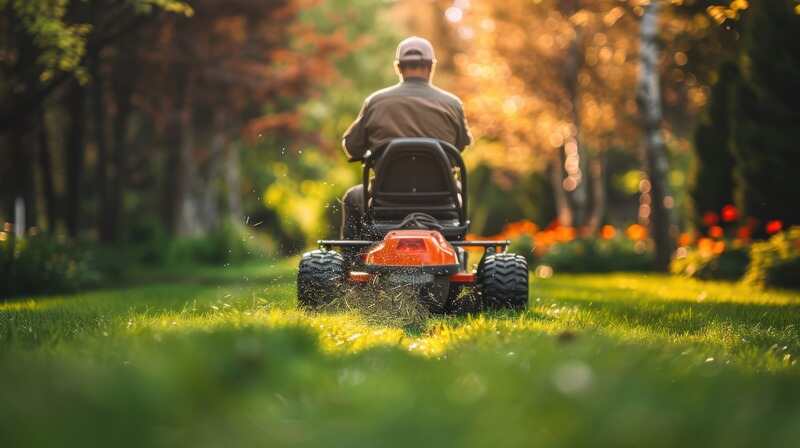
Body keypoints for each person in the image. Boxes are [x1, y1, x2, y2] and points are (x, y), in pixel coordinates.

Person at [339, 36, 472, 240]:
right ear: (431, 67)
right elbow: (460, 147)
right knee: (462, 189)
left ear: (398, 68)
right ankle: (455, 250)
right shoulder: (452, 104)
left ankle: (351, 264)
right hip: (442, 204)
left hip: (386, 204)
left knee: (353, 197)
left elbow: (352, 147)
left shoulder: (376, 102)